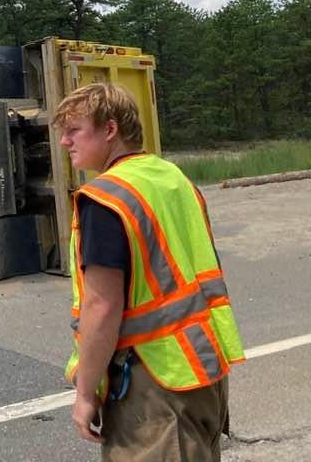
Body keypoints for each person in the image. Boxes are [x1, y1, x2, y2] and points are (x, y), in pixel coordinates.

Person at [53, 83, 244, 461]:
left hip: (153, 385)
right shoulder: (172, 177)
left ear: (110, 130)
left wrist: (85, 393)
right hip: (202, 372)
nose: (64, 141)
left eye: (74, 130)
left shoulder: (106, 198)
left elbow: (102, 306)